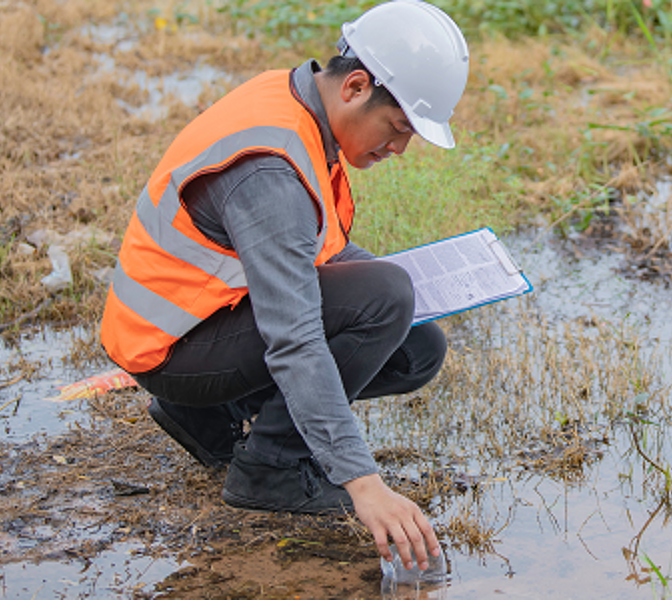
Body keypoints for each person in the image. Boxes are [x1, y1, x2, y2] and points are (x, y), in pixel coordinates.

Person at [98, 0, 469, 572]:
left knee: (417, 346)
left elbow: (317, 255)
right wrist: (362, 482)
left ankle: (211, 418)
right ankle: (270, 470)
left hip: (209, 321)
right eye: (398, 128)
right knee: (387, 298)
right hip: (170, 348)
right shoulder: (271, 173)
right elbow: (293, 336)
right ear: (356, 87)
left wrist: (399, 292)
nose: (399, 149)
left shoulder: (299, 101)